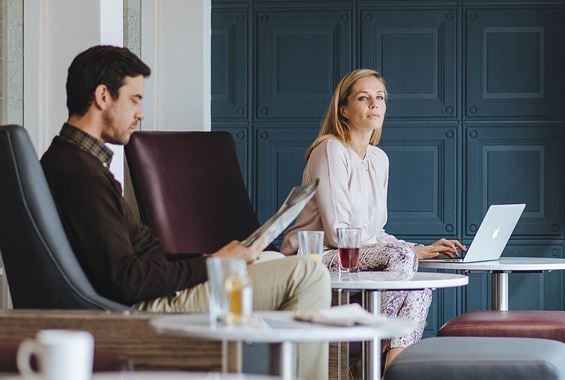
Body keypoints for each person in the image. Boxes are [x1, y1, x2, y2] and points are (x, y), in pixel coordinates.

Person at [41, 45, 330, 379]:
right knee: (309, 275)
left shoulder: (73, 161)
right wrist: (215, 265)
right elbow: (127, 280)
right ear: (103, 96)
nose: (141, 113)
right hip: (146, 307)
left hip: (155, 291)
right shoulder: (81, 175)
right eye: (135, 99)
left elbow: (133, 262)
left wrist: (213, 257)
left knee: (275, 261)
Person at [280, 68, 466, 367]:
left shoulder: (379, 159)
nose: (374, 105)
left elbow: (376, 231)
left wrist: (415, 247)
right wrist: (407, 252)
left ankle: (390, 366)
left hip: (355, 255)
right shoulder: (330, 149)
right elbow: (338, 235)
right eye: (364, 98)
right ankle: (372, 360)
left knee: (421, 280)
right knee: (404, 257)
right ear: (344, 110)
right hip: (316, 256)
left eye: (380, 98)